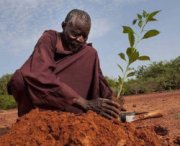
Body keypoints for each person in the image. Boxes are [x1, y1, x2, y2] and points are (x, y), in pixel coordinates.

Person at [7, 9, 121, 119]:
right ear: (63, 26)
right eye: (75, 34)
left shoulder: (86, 52)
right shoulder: (50, 39)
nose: (79, 39)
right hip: (44, 100)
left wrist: (111, 100)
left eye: (84, 36)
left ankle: (75, 114)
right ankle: (31, 119)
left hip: (70, 107)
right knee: (20, 79)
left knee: (91, 52)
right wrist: (84, 103)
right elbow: (39, 73)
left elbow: (98, 79)